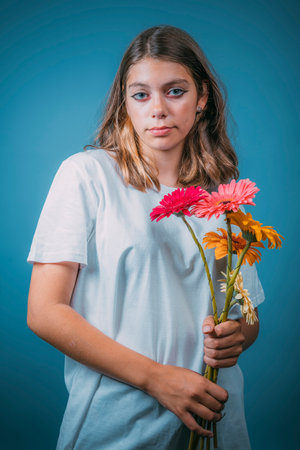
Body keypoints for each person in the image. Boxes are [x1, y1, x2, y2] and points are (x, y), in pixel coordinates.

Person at [26, 25, 264, 450]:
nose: (158, 109)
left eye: (175, 91)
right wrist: (157, 379)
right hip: (119, 424)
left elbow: (246, 315)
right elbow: (45, 312)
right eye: (141, 95)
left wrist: (236, 337)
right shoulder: (87, 175)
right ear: (126, 104)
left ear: (202, 97)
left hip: (213, 421)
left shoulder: (222, 194)